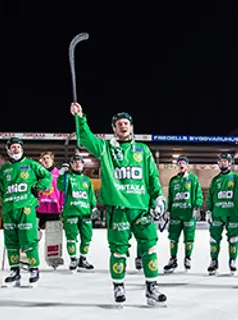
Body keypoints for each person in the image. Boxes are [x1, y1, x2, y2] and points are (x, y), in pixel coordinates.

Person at [70, 102, 167, 306]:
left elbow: (152, 177)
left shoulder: (143, 150)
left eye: (126, 123)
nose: (123, 126)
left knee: (149, 248)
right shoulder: (105, 149)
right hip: (118, 210)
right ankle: (119, 286)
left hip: (141, 210)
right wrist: (80, 117)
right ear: (114, 129)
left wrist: (158, 197)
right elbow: (85, 138)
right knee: (118, 250)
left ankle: (152, 287)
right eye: (118, 124)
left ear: (131, 127)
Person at [0, 137, 52, 287]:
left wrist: (39, 186)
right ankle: (14, 270)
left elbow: (47, 176)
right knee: (11, 242)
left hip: (26, 208)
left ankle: (34, 268)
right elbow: (3, 190)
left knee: (28, 240)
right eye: (12, 147)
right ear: (8, 150)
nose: (15, 149)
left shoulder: (31, 164)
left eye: (17, 147)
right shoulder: (3, 169)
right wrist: (4, 206)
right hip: (10, 209)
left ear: (22, 149)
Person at [205, 153, 238, 275]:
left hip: (232, 213)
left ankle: (232, 260)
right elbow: (210, 197)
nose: (223, 163)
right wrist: (208, 210)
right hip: (217, 213)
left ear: (230, 163)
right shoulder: (215, 180)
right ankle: (214, 261)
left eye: (225, 161)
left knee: (233, 238)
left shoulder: (235, 177)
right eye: (221, 161)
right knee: (214, 239)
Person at [57, 154, 98, 272]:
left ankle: (83, 259)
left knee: (87, 237)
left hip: (85, 212)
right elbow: (60, 187)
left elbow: (91, 196)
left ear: (83, 165)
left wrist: (94, 207)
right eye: (74, 162)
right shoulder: (68, 177)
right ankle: (73, 259)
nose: (77, 164)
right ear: (71, 165)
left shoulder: (87, 180)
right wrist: (61, 175)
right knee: (71, 237)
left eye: (79, 162)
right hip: (71, 212)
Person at [163, 155, 203, 273]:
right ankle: (173, 259)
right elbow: (170, 197)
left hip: (188, 214)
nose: (181, 165)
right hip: (176, 213)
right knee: (173, 238)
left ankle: (187, 258)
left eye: (183, 163)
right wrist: (168, 210)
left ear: (187, 165)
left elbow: (199, 194)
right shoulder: (173, 180)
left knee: (189, 238)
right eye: (179, 163)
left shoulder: (193, 179)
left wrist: (197, 206)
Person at [36, 152, 64, 229]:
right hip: (39, 208)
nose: (46, 160)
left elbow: (62, 191)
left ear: (52, 160)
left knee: (53, 236)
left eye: (48, 158)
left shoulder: (59, 174)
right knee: (34, 235)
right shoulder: (37, 174)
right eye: (44, 158)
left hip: (54, 208)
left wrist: (62, 205)